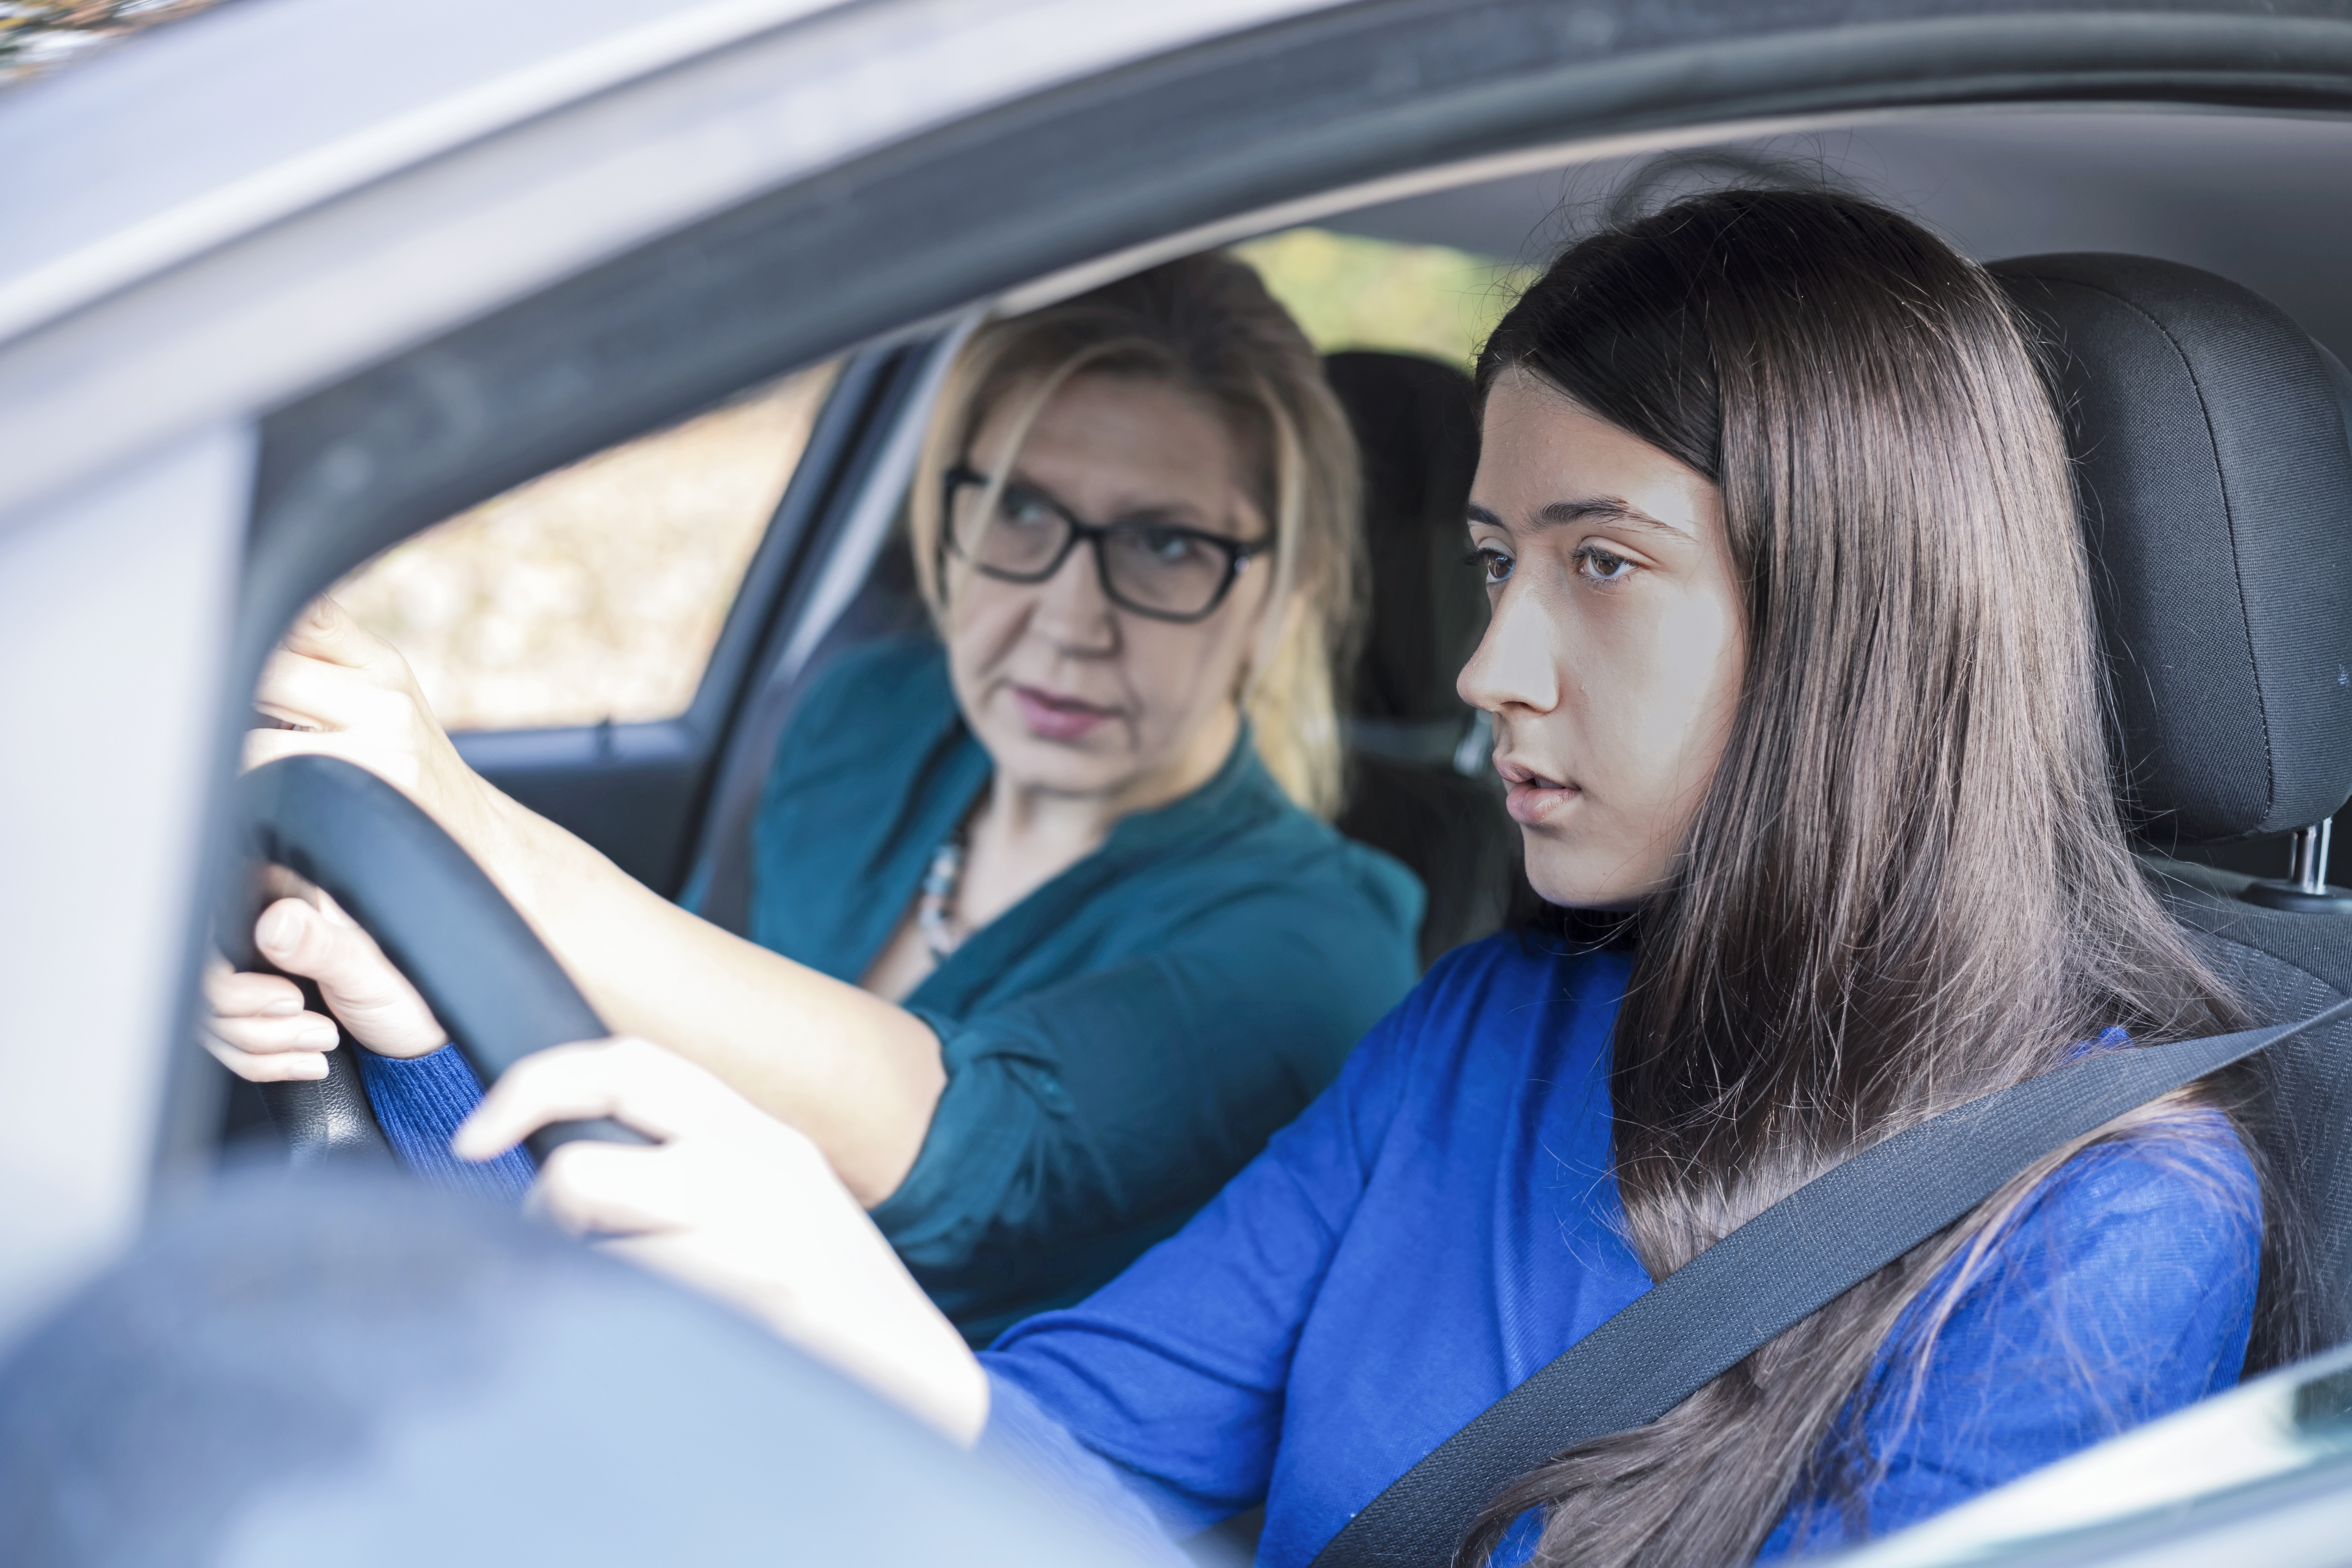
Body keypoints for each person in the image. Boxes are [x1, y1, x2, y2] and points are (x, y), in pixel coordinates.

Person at [442, 188, 2305, 1567]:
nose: (1493, 664)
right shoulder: (1483, 1032)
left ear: (1856, 619)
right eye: (1500, 562)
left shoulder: (2103, 1216)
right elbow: (1088, 1441)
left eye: (1605, 565)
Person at [203, 254, 1424, 1344]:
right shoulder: (872, 722)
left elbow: (960, 1147)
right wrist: (343, 976)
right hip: (626, 1328)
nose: (1066, 621)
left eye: (1165, 546)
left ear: (1287, 590)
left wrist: (466, 828)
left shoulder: (1321, 951)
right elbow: (635, 1069)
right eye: (1021, 513)